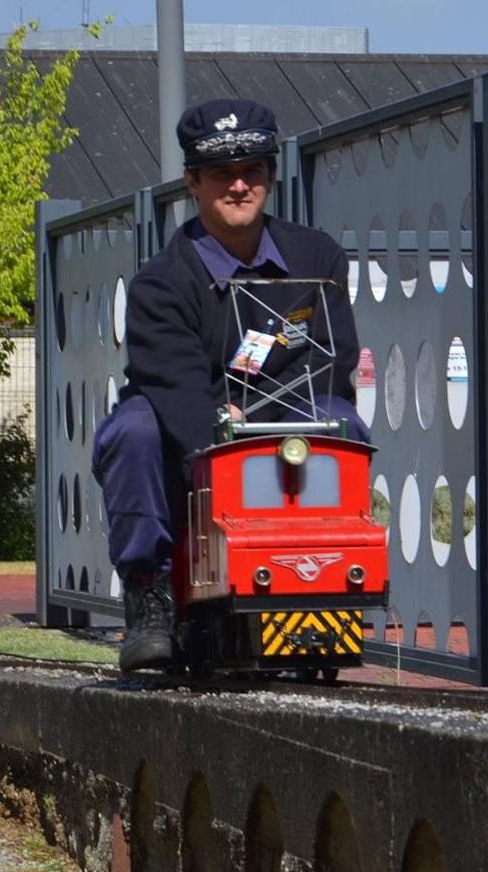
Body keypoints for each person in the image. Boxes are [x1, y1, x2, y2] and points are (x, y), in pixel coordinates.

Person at [93, 98, 363, 671]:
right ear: (192, 181)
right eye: (221, 173)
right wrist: (225, 423)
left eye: (252, 171)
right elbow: (174, 383)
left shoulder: (318, 256)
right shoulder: (159, 284)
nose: (239, 185)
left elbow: (332, 358)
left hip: (289, 414)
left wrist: (267, 412)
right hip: (194, 427)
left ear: (270, 176)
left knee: (343, 420)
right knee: (134, 429)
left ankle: (326, 581)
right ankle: (151, 599)